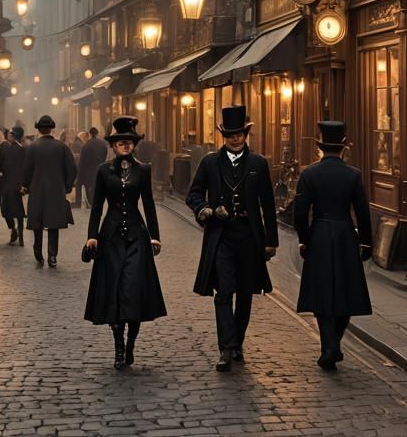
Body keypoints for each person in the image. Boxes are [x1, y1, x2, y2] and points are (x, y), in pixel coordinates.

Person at [186, 105, 278, 372]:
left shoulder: (258, 164)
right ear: (223, 136)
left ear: (245, 134)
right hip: (221, 236)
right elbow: (193, 194)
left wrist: (271, 241)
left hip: (249, 236)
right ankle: (225, 348)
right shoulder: (210, 163)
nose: (235, 138)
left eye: (239, 133)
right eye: (230, 134)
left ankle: (238, 341)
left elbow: (268, 205)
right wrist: (205, 209)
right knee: (223, 292)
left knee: (246, 293)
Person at [84, 116, 166, 369]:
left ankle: (131, 345)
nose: (125, 146)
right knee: (114, 293)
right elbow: (97, 206)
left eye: (129, 142)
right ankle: (118, 347)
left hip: (136, 238)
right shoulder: (103, 170)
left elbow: (149, 204)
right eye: (121, 142)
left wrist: (155, 235)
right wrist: (92, 236)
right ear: (113, 145)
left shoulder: (143, 169)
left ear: (134, 144)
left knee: (132, 291)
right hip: (110, 239)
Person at [293, 121, 373, 371]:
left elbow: (299, 212)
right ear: (343, 147)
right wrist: (366, 242)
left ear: (320, 147)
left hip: (319, 234)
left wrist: (304, 238)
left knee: (321, 294)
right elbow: (362, 211)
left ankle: (330, 347)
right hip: (345, 235)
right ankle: (333, 344)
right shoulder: (353, 175)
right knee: (347, 293)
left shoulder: (309, 174)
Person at [22, 114, 76, 268]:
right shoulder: (61, 147)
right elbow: (71, 168)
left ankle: (38, 252)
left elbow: (27, 169)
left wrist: (25, 185)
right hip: (56, 190)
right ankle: (52, 256)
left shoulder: (33, 147)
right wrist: (67, 185)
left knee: (37, 222)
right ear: (51, 129)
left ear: (38, 129)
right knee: (53, 224)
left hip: (37, 189)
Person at [0, 125, 27, 244]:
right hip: (18, 185)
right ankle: (20, 235)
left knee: (6, 210)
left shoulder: (3, 147)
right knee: (19, 210)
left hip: (7, 184)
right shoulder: (23, 149)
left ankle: (13, 229)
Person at [79, 126, 109, 207]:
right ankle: (98, 203)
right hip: (100, 170)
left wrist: (80, 175)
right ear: (97, 133)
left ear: (90, 134)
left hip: (88, 172)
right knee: (98, 188)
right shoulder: (103, 144)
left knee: (90, 189)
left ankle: (91, 204)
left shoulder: (86, 146)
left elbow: (82, 162)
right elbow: (105, 157)